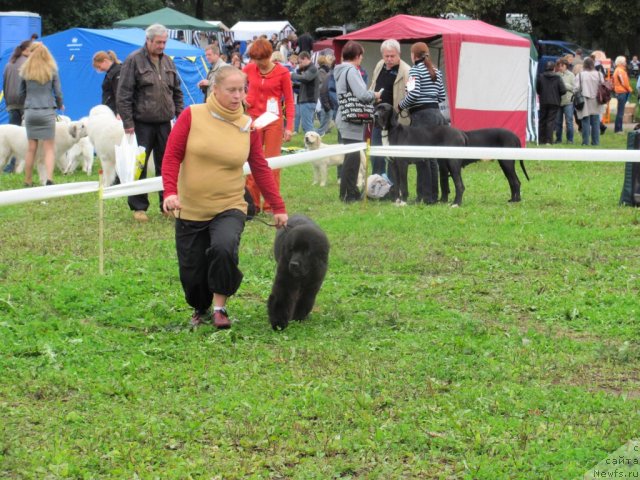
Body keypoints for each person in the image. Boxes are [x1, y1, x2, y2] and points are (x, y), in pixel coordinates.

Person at [161, 66, 288, 329]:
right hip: (191, 207)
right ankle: (201, 307)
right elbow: (172, 156)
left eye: (242, 89)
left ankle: (220, 308)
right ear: (214, 89)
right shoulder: (192, 116)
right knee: (192, 273)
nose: (237, 95)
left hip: (230, 204)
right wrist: (170, 192)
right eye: (231, 90)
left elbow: (260, 166)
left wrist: (278, 205)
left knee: (224, 247)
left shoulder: (247, 125)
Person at [117, 24, 184, 222]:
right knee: (140, 166)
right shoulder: (133, 60)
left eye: (164, 42)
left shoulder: (169, 62)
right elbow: (123, 94)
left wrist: (180, 117)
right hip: (141, 123)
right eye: (158, 42)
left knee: (168, 164)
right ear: (148, 40)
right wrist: (128, 123)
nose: (162, 46)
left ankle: (167, 204)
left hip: (165, 123)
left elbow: (177, 92)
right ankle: (139, 207)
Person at [243, 38, 295, 214]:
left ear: (269, 56)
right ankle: (253, 204)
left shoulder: (283, 73)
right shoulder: (249, 69)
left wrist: (290, 126)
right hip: (254, 120)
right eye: (255, 59)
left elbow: (289, 100)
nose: (259, 63)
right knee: (252, 163)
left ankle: (270, 205)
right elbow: (237, 84)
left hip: (273, 121)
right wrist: (244, 97)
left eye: (262, 59)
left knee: (272, 163)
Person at [399, 42, 447, 204]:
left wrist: (400, 106)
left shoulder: (415, 70)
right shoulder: (436, 71)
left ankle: (424, 196)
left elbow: (413, 94)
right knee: (433, 157)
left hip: (422, 117)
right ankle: (433, 195)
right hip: (437, 116)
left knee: (422, 157)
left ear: (413, 55)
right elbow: (441, 96)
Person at [334, 40, 381, 202]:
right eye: (361, 56)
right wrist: (374, 95)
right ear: (358, 56)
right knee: (352, 159)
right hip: (351, 119)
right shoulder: (352, 71)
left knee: (350, 157)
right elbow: (361, 95)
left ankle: (348, 191)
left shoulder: (340, 70)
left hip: (345, 116)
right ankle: (349, 193)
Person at [18, 42, 64, 187]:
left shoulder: (25, 71)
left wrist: (25, 106)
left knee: (31, 148)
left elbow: (20, 93)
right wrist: (60, 103)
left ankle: (28, 179)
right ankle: (49, 179)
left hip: (31, 111)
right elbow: (58, 92)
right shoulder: (52, 70)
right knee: (49, 148)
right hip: (47, 111)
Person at [369, 39, 411, 176]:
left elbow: (410, 96)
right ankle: (376, 181)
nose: (389, 59)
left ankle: (393, 185)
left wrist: (399, 109)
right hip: (378, 118)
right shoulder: (379, 65)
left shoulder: (406, 71)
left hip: (395, 121)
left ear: (399, 54)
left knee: (393, 155)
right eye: (386, 56)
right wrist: (371, 97)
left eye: (392, 56)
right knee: (376, 152)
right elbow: (373, 85)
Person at [2, 39, 31, 173]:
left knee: (12, 138)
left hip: (11, 104)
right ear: (26, 50)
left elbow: (4, 85)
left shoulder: (9, 64)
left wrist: (8, 103)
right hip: (25, 104)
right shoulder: (28, 64)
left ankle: (9, 166)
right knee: (27, 136)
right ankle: (23, 165)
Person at [575, 57, 604, 146]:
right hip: (596, 100)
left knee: (585, 121)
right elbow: (602, 85)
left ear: (584, 65)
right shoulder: (599, 74)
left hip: (584, 100)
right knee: (595, 122)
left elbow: (576, 88)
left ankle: (585, 142)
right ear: (593, 65)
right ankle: (596, 142)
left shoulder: (580, 75)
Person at [536, 60, 566, 145]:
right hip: (554, 102)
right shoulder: (557, 77)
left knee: (542, 120)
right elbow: (563, 90)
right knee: (550, 121)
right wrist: (557, 94)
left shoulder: (540, 76)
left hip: (543, 101)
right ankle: (549, 141)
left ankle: (541, 140)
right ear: (553, 68)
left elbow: (537, 89)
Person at [290, 51, 320, 133]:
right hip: (307, 100)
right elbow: (305, 83)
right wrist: (294, 84)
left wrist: (291, 75)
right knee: (307, 124)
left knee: (307, 126)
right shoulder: (309, 69)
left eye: (301, 62)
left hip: (308, 100)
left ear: (306, 58)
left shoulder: (312, 69)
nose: (300, 64)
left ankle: (312, 144)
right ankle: (314, 142)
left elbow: (305, 78)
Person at [92, 50, 121, 115]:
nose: (99, 70)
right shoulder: (110, 73)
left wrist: (119, 112)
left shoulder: (117, 72)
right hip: (109, 109)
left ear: (105, 61)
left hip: (115, 111)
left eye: (99, 67)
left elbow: (120, 93)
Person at [555, 58, 575, 144]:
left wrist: (565, 85)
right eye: (558, 66)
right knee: (558, 122)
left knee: (569, 121)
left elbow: (575, 88)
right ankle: (558, 139)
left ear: (566, 66)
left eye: (561, 66)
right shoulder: (556, 75)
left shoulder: (571, 75)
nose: (560, 67)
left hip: (568, 101)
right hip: (558, 101)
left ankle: (570, 140)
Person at [612, 55, 633, 134]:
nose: (625, 62)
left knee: (620, 112)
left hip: (619, 92)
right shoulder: (620, 71)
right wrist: (630, 89)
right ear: (621, 62)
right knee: (620, 112)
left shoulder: (618, 70)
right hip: (622, 92)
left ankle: (618, 129)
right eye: (624, 61)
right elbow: (624, 83)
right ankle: (618, 130)